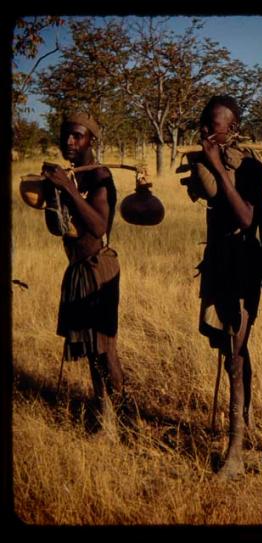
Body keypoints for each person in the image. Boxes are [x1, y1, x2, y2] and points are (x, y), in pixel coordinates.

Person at [190, 95, 262, 479]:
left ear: (233, 128)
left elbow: (246, 217)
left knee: (236, 353)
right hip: (218, 263)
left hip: (244, 266)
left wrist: (215, 167)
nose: (209, 131)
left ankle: (235, 452)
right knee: (231, 350)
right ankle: (244, 422)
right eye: (205, 124)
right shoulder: (208, 164)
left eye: (216, 124)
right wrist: (206, 168)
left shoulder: (251, 168)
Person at [41, 112, 125, 424]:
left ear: (92, 139)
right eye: (66, 136)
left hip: (97, 266)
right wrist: (54, 191)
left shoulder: (100, 176)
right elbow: (59, 226)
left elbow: (99, 225)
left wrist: (71, 191)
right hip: (77, 267)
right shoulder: (70, 175)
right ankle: (103, 411)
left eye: (78, 136)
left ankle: (116, 419)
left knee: (104, 349)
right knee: (91, 350)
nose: (70, 142)